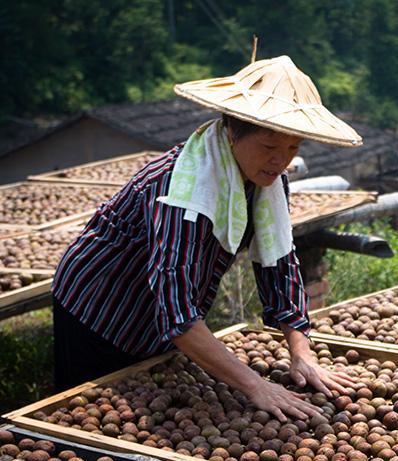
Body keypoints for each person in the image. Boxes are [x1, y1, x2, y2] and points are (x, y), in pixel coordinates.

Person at [52, 55, 363, 422]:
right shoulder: (180, 191)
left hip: (158, 310)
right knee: (90, 413)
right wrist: (255, 385)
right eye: (268, 147)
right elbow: (178, 314)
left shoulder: (268, 184)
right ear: (233, 132)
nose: (280, 160)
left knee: (152, 392)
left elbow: (279, 264)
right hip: (100, 304)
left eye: (293, 148)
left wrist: (301, 351)